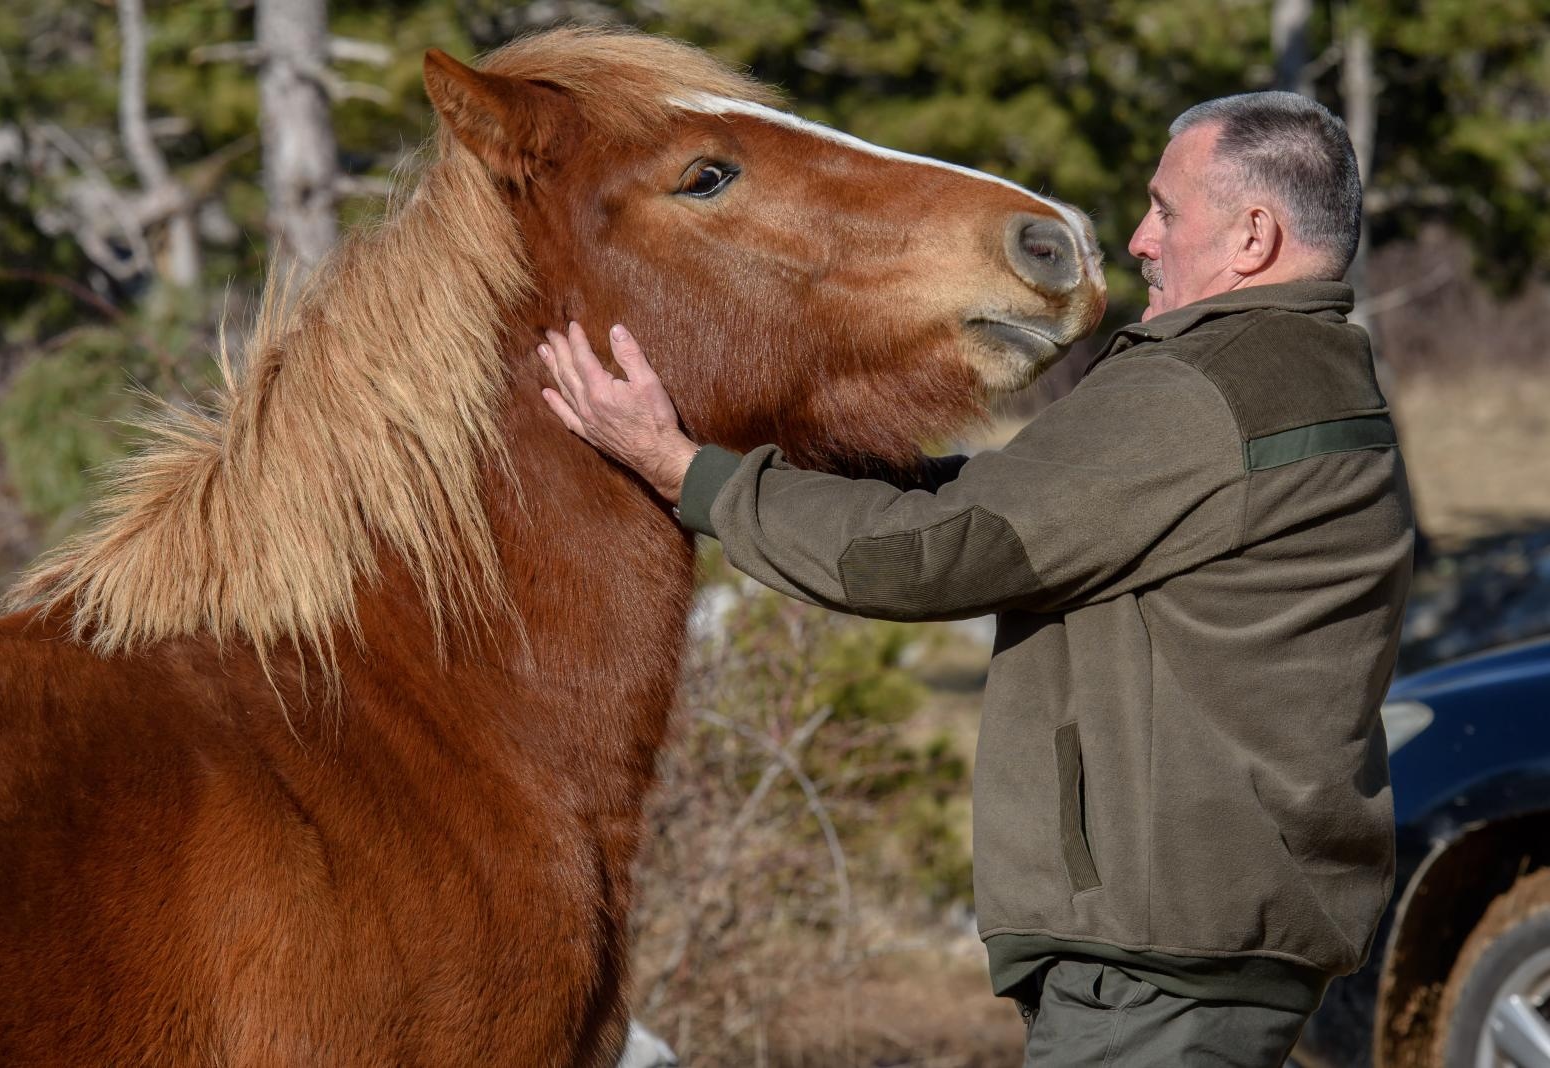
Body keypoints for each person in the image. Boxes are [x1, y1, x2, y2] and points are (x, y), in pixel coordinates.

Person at [538, 91, 1413, 1067]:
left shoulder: (1202, 390)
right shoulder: (1303, 377)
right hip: (1212, 930)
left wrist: (684, 473)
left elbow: (929, 555)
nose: (1138, 240)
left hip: (1162, 953)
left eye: (1166, 210)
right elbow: (1033, 505)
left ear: (1253, 235)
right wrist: (837, 463)